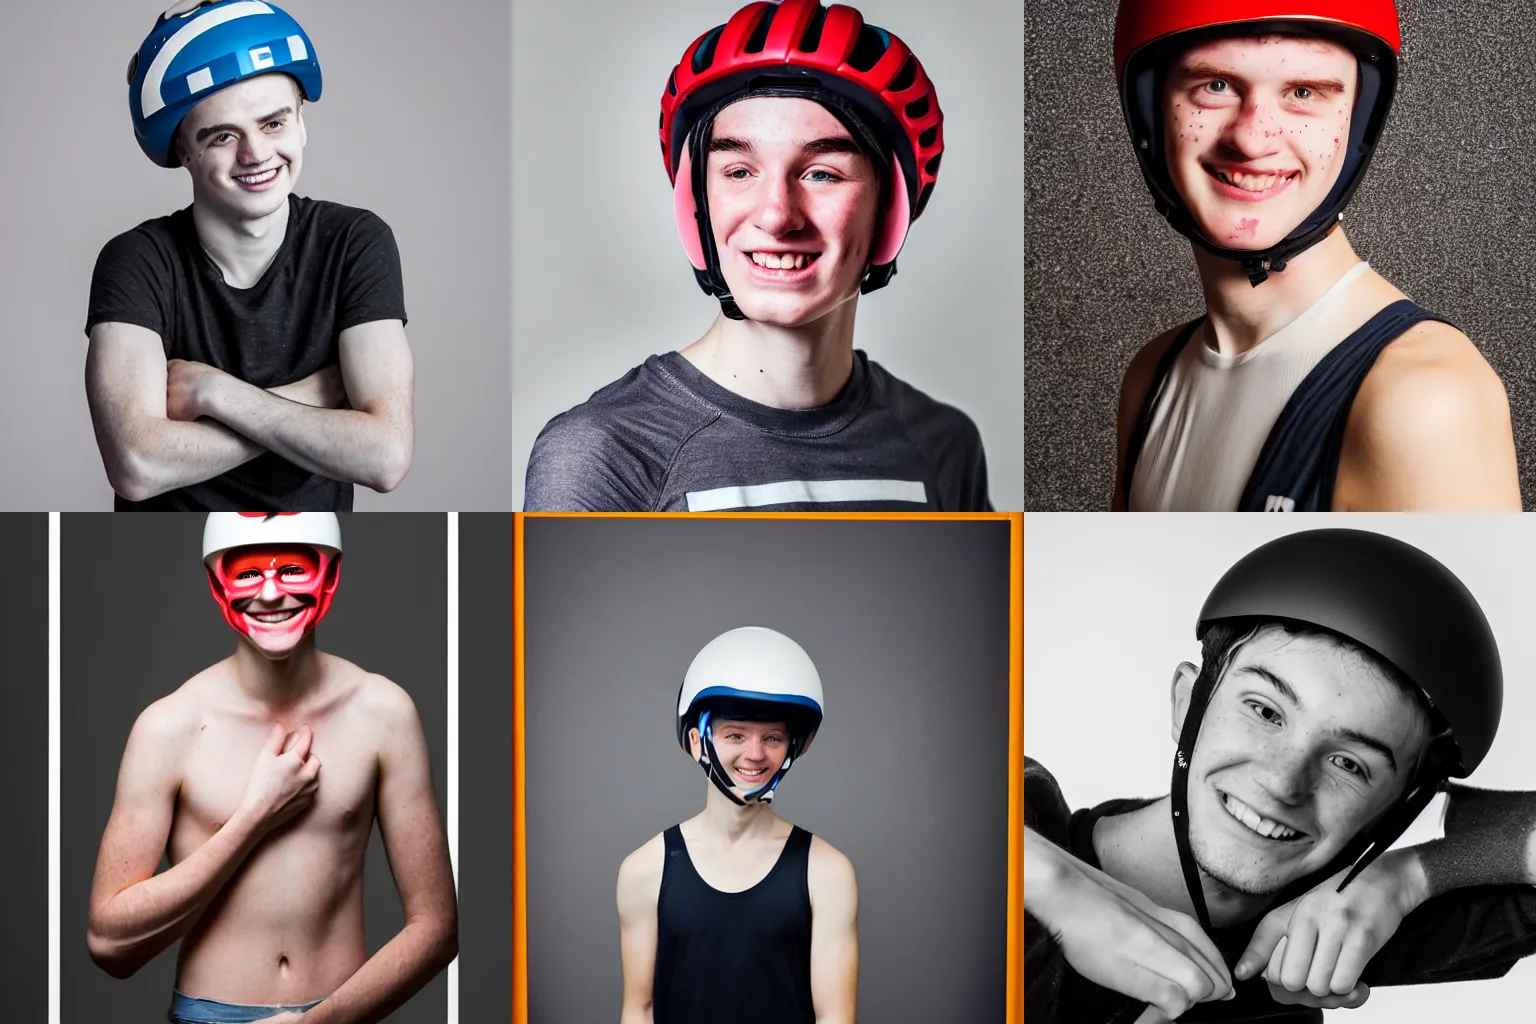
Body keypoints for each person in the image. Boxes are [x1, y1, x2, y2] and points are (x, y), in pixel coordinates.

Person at [1025, 529, 1536, 1023]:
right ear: (1186, 704)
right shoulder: (1007, 818)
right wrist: (1048, 884)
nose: (1282, 782)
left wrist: (1410, 877)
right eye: (1265, 712)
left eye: (1349, 764)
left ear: (1397, 809)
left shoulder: (1317, 958)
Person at [525, 0, 991, 512]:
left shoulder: (945, 444)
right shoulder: (603, 455)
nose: (776, 216)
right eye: (739, 171)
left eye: (822, 173)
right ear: (696, 204)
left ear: (890, 208)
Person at [1110, 0, 1520, 512]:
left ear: (1356, 124)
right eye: (1215, 86)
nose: (1253, 139)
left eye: (1303, 93)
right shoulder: (1153, 374)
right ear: (1148, 110)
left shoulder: (1425, 397)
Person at [86, 513, 457, 1024]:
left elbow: (437, 928)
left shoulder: (383, 713)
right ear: (218, 581)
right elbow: (109, 944)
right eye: (248, 574)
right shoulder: (169, 727)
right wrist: (255, 815)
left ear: (328, 573)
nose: (271, 594)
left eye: (291, 571)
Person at [86, 1, 414, 511]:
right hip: (158, 570)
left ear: (302, 123)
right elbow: (137, 465)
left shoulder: (353, 242)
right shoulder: (137, 261)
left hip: (309, 566)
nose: (256, 154)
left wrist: (219, 394)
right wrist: (316, 397)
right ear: (184, 153)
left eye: (274, 123)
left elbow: (386, 457)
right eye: (222, 136)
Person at [616, 627, 858, 1023]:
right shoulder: (644, 871)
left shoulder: (828, 873)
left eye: (773, 738)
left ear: (792, 747)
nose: (754, 754)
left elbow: (835, 1017)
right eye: (734, 734)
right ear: (697, 741)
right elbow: (639, 1012)